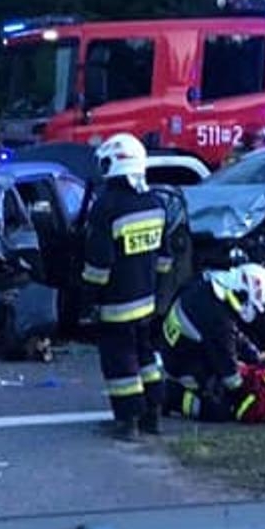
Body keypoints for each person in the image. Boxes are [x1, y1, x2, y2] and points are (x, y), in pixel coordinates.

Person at [81, 133, 169, 440]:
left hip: (116, 303)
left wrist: (88, 298)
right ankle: (153, 416)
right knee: (147, 358)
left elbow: (99, 264)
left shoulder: (107, 206)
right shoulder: (155, 203)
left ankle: (127, 423)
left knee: (121, 364)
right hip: (146, 300)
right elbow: (165, 259)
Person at [160, 262, 265, 421]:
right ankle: (171, 397)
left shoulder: (209, 284)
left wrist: (255, 356)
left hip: (176, 350)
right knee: (221, 411)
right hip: (184, 367)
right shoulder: (217, 318)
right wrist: (247, 394)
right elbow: (230, 374)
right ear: (244, 296)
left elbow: (232, 336)